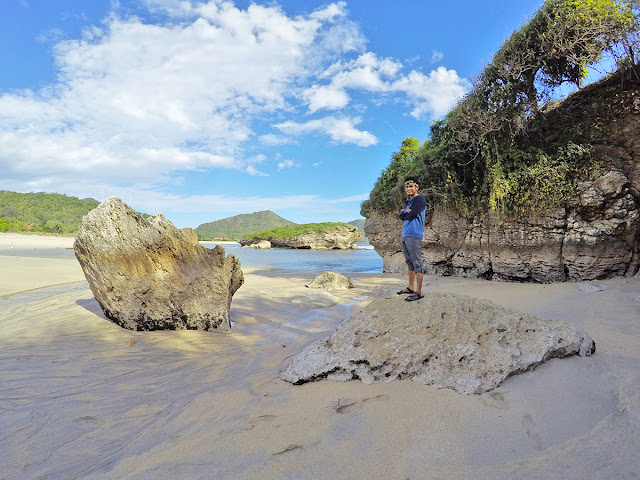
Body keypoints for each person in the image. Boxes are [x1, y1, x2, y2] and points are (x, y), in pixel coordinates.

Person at [396, 177, 426, 301]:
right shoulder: (408, 202)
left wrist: (405, 213)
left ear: (416, 187)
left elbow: (411, 215)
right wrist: (404, 211)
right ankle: (410, 287)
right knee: (409, 262)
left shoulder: (420, 199)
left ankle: (418, 292)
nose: (408, 189)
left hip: (414, 235)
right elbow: (400, 216)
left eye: (411, 186)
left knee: (417, 262)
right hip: (406, 234)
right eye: (407, 187)